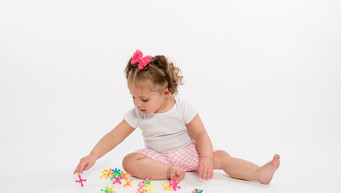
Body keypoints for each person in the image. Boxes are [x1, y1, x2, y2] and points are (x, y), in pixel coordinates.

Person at [73, 50, 280, 183]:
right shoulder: (138, 113)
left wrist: (206, 157)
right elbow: (115, 136)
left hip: (188, 151)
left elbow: (200, 134)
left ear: (166, 92)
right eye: (133, 97)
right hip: (160, 157)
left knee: (222, 158)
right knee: (130, 161)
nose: (137, 104)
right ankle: (169, 172)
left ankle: (257, 173)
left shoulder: (182, 107)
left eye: (144, 99)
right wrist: (93, 155)